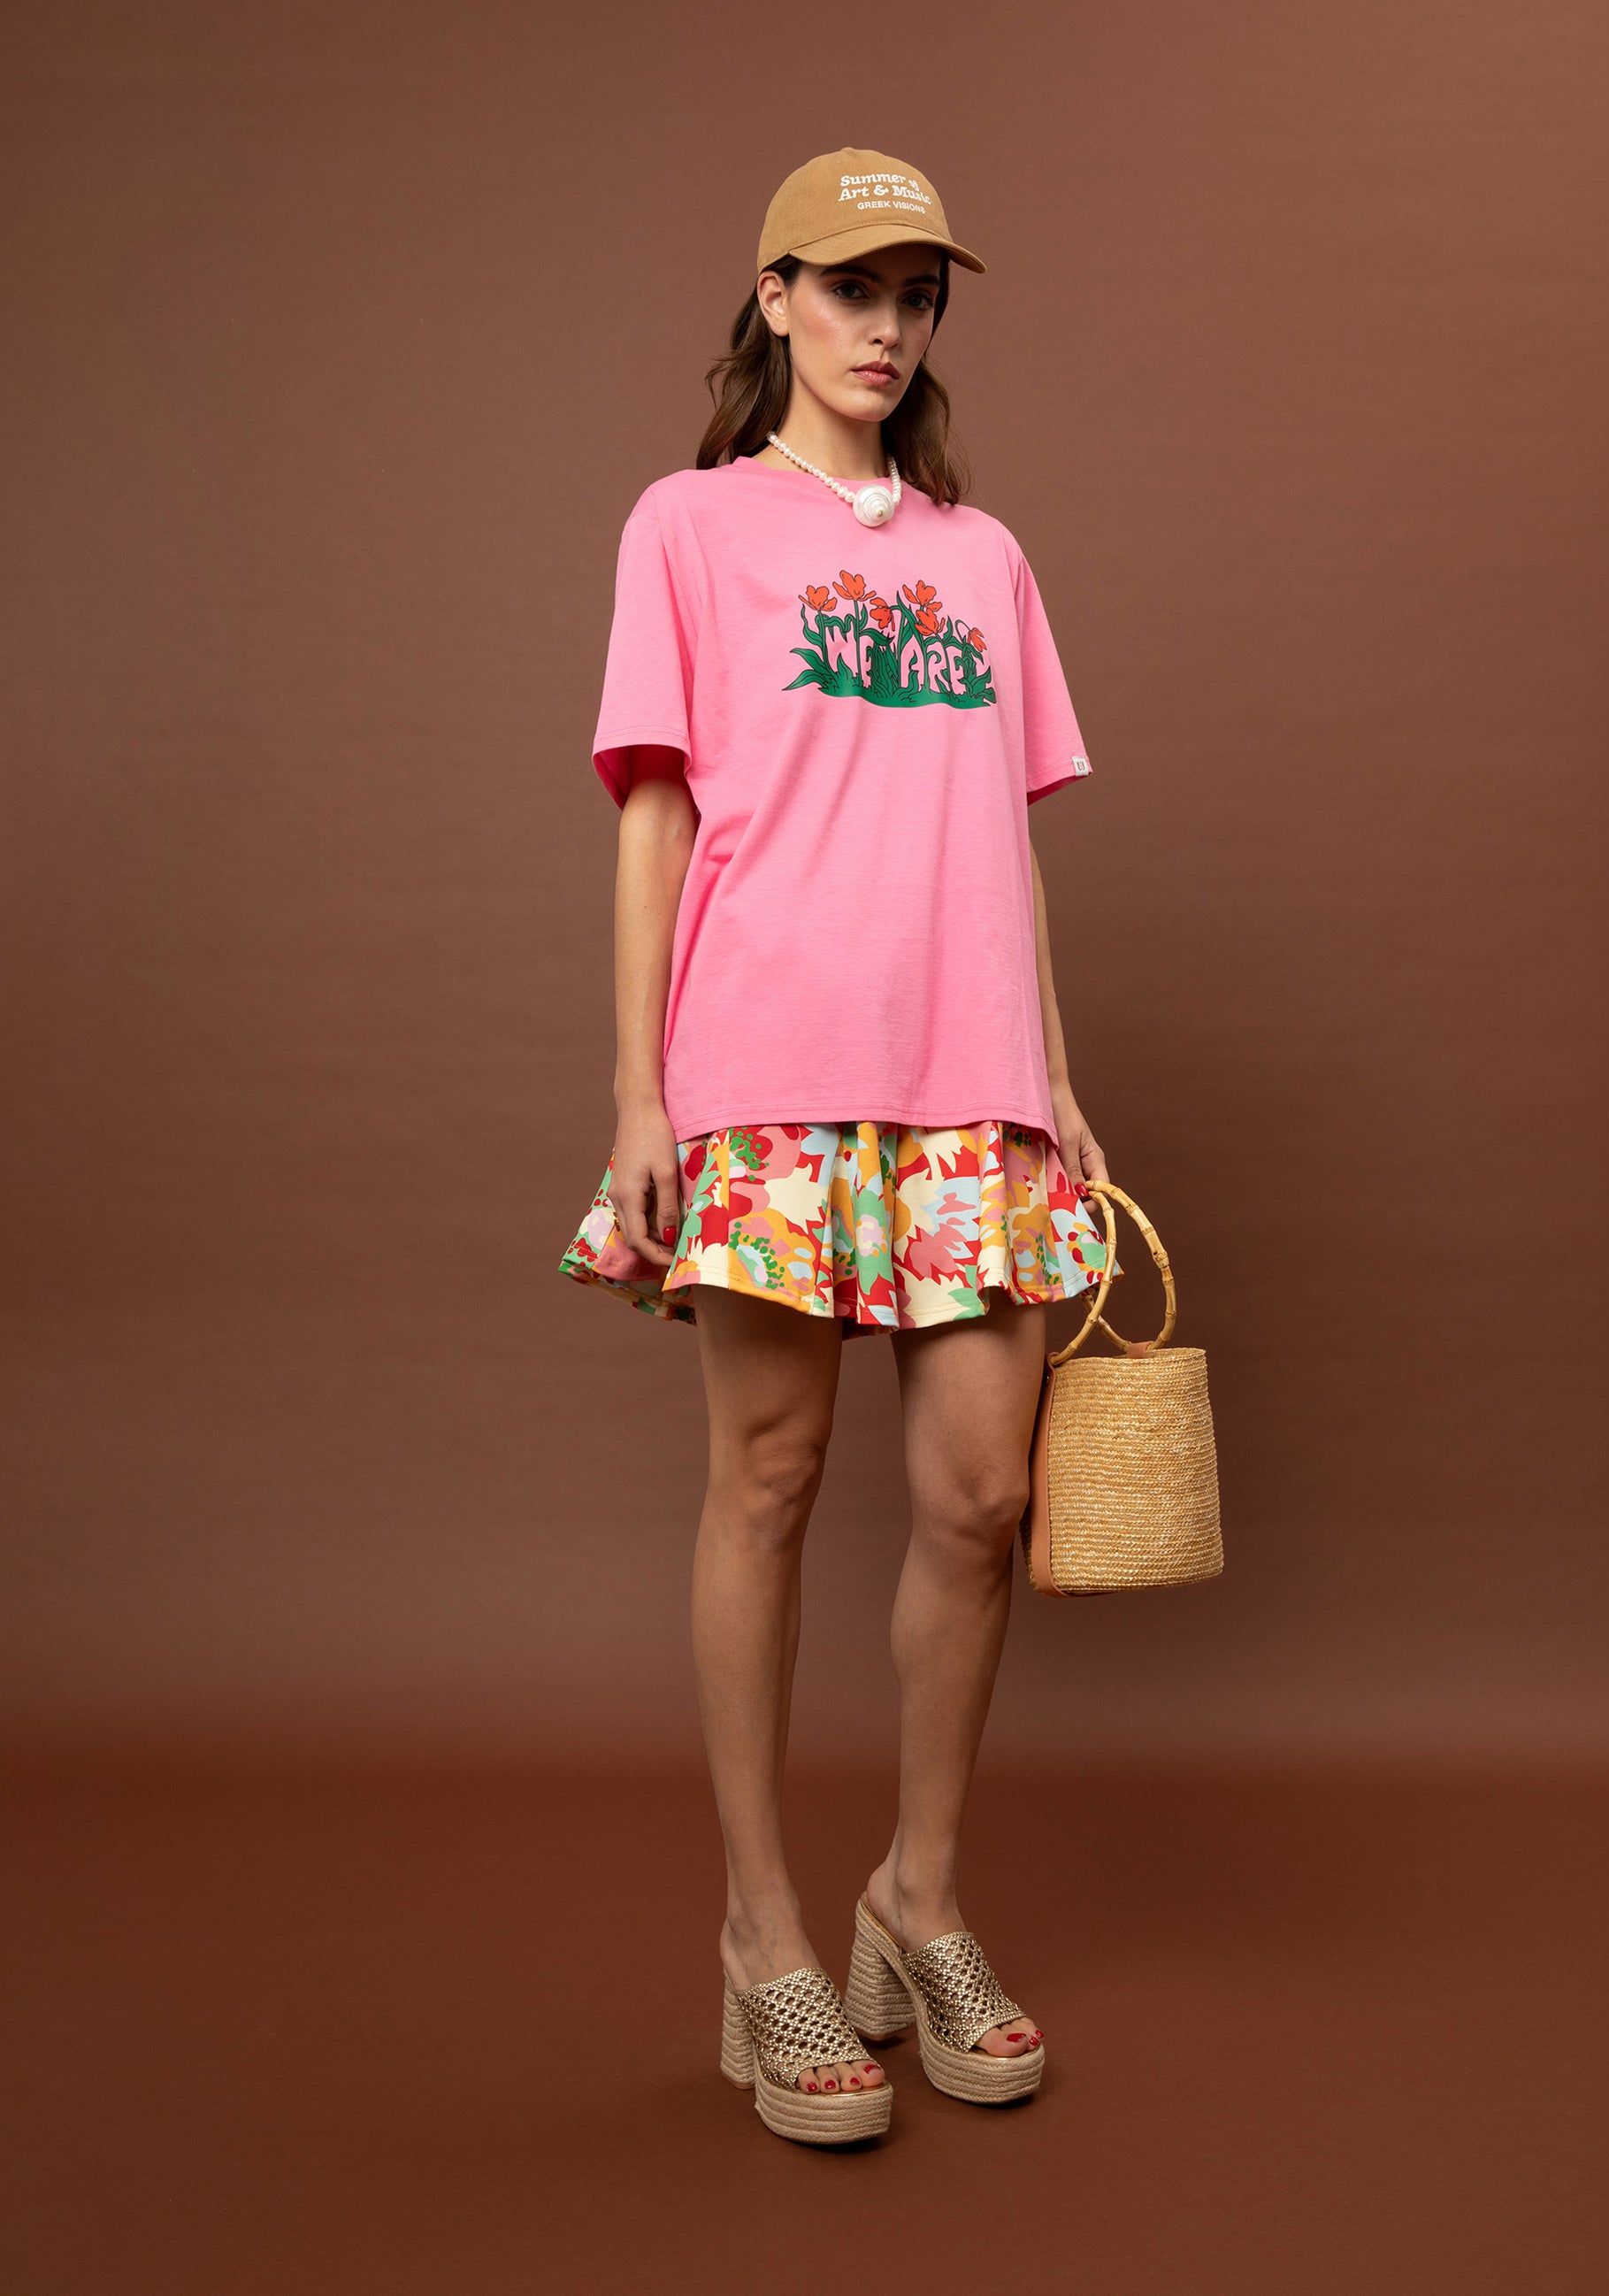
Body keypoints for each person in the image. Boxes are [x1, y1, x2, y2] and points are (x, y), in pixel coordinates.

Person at [559, 146, 1111, 2146]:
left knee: (979, 1498)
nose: (887, 326)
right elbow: (655, 815)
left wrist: (1055, 1079)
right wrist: (640, 1095)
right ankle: (762, 1930)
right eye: (853, 287)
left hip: (970, 1079)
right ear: (775, 294)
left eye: (917, 294)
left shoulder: (984, 559)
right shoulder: (689, 525)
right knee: (771, 1479)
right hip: (768, 1068)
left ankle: (916, 1898)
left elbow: (1003, 845)